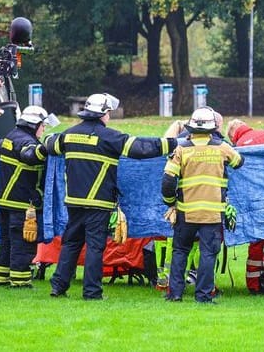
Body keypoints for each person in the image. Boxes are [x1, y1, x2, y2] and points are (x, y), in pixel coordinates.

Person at [46, 93, 177, 300]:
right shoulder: (109, 137)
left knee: (71, 243)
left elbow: (49, 144)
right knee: (95, 247)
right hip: (99, 203)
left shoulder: (69, 135)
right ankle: (92, 292)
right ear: (104, 114)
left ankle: (58, 287)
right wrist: (173, 143)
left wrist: (49, 137)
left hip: (73, 202)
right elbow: (141, 149)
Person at [162, 107, 244, 303]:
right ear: (212, 128)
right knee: (208, 253)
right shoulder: (222, 147)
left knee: (180, 251)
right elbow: (239, 162)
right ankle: (204, 296)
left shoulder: (181, 149)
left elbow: (167, 181)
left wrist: (170, 203)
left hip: (186, 212)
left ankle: (175, 294)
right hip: (213, 214)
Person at [0, 105, 50, 289]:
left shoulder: (11, 136)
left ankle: (1, 277)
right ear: (34, 125)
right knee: (22, 243)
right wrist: (47, 148)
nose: (44, 129)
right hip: (21, 204)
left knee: (6, 241)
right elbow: (29, 155)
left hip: (5, 202)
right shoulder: (27, 143)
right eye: (43, 125)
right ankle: (21, 281)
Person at [227, 119, 264, 296]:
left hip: (254, 200)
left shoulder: (238, 146)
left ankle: (253, 284)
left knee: (256, 239)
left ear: (233, 135)